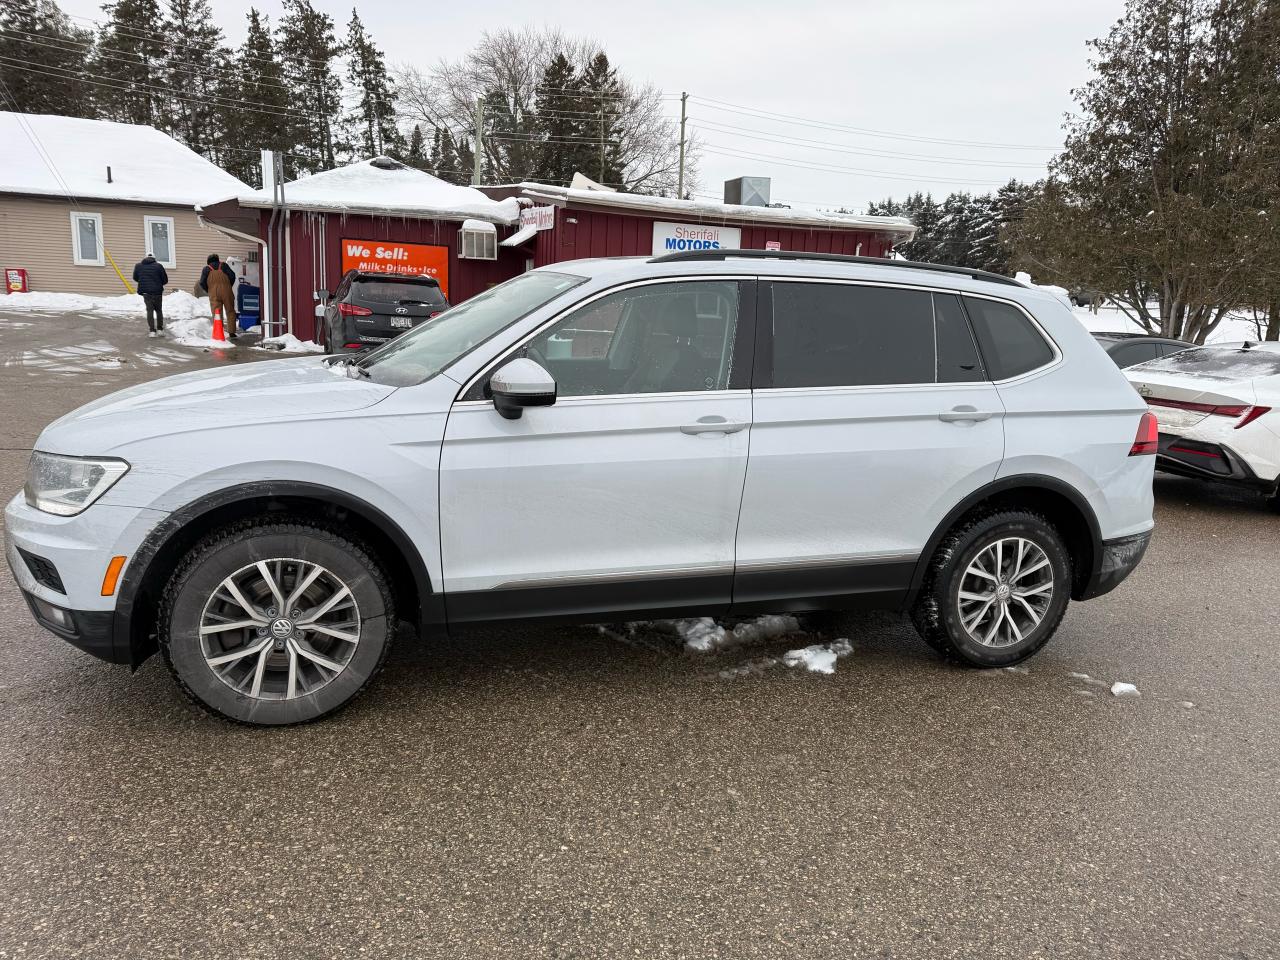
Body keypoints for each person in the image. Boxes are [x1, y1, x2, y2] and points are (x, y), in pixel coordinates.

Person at [199, 254, 239, 341]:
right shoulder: (224, 265)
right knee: (230, 311)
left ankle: (219, 331)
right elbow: (232, 276)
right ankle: (231, 332)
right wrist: (228, 285)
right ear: (218, 260)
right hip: (227, 291)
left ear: (209, 261)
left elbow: (202, 282)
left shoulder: (206, 269)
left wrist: (209, 290)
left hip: (214, 293)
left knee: (217, 313)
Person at [131, 253, 169, 338]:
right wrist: (158, 282)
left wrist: (143, 282)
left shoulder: (138, 266)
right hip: (157, 292)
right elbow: (165, 280)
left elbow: (135, 278)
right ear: (154, 258)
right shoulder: (159, 266)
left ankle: (152, 331)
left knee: (149, 310)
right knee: (158, 310)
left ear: (145, 258)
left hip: (146, 292)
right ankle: (160, 330)